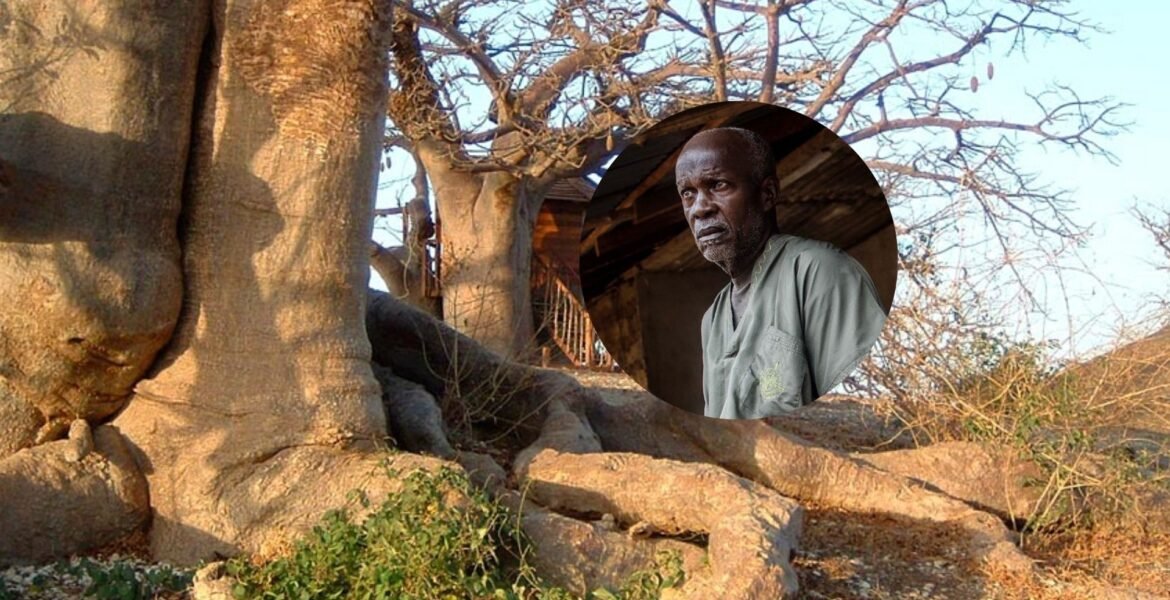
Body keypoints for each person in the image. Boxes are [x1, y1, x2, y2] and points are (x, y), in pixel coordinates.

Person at [676, 127, 886, 420]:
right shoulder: (712, 319)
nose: (700, 209)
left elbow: (856, 413)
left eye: (719, 185)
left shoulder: (819, 271)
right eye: (688, 193)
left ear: (767, 194)